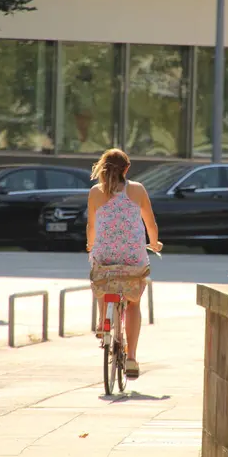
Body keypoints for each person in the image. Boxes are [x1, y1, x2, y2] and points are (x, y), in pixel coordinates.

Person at [86, 148, 162, 380]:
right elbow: (150, 222)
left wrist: (91, 246)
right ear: (126, 169)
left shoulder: (95, 193)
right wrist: (154, 243)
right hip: (133, 257)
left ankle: (102, 320)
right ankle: (131, 358)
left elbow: (91, 226)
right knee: (133, 303)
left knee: (100, 274)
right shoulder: (137, 190)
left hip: (106, 256)